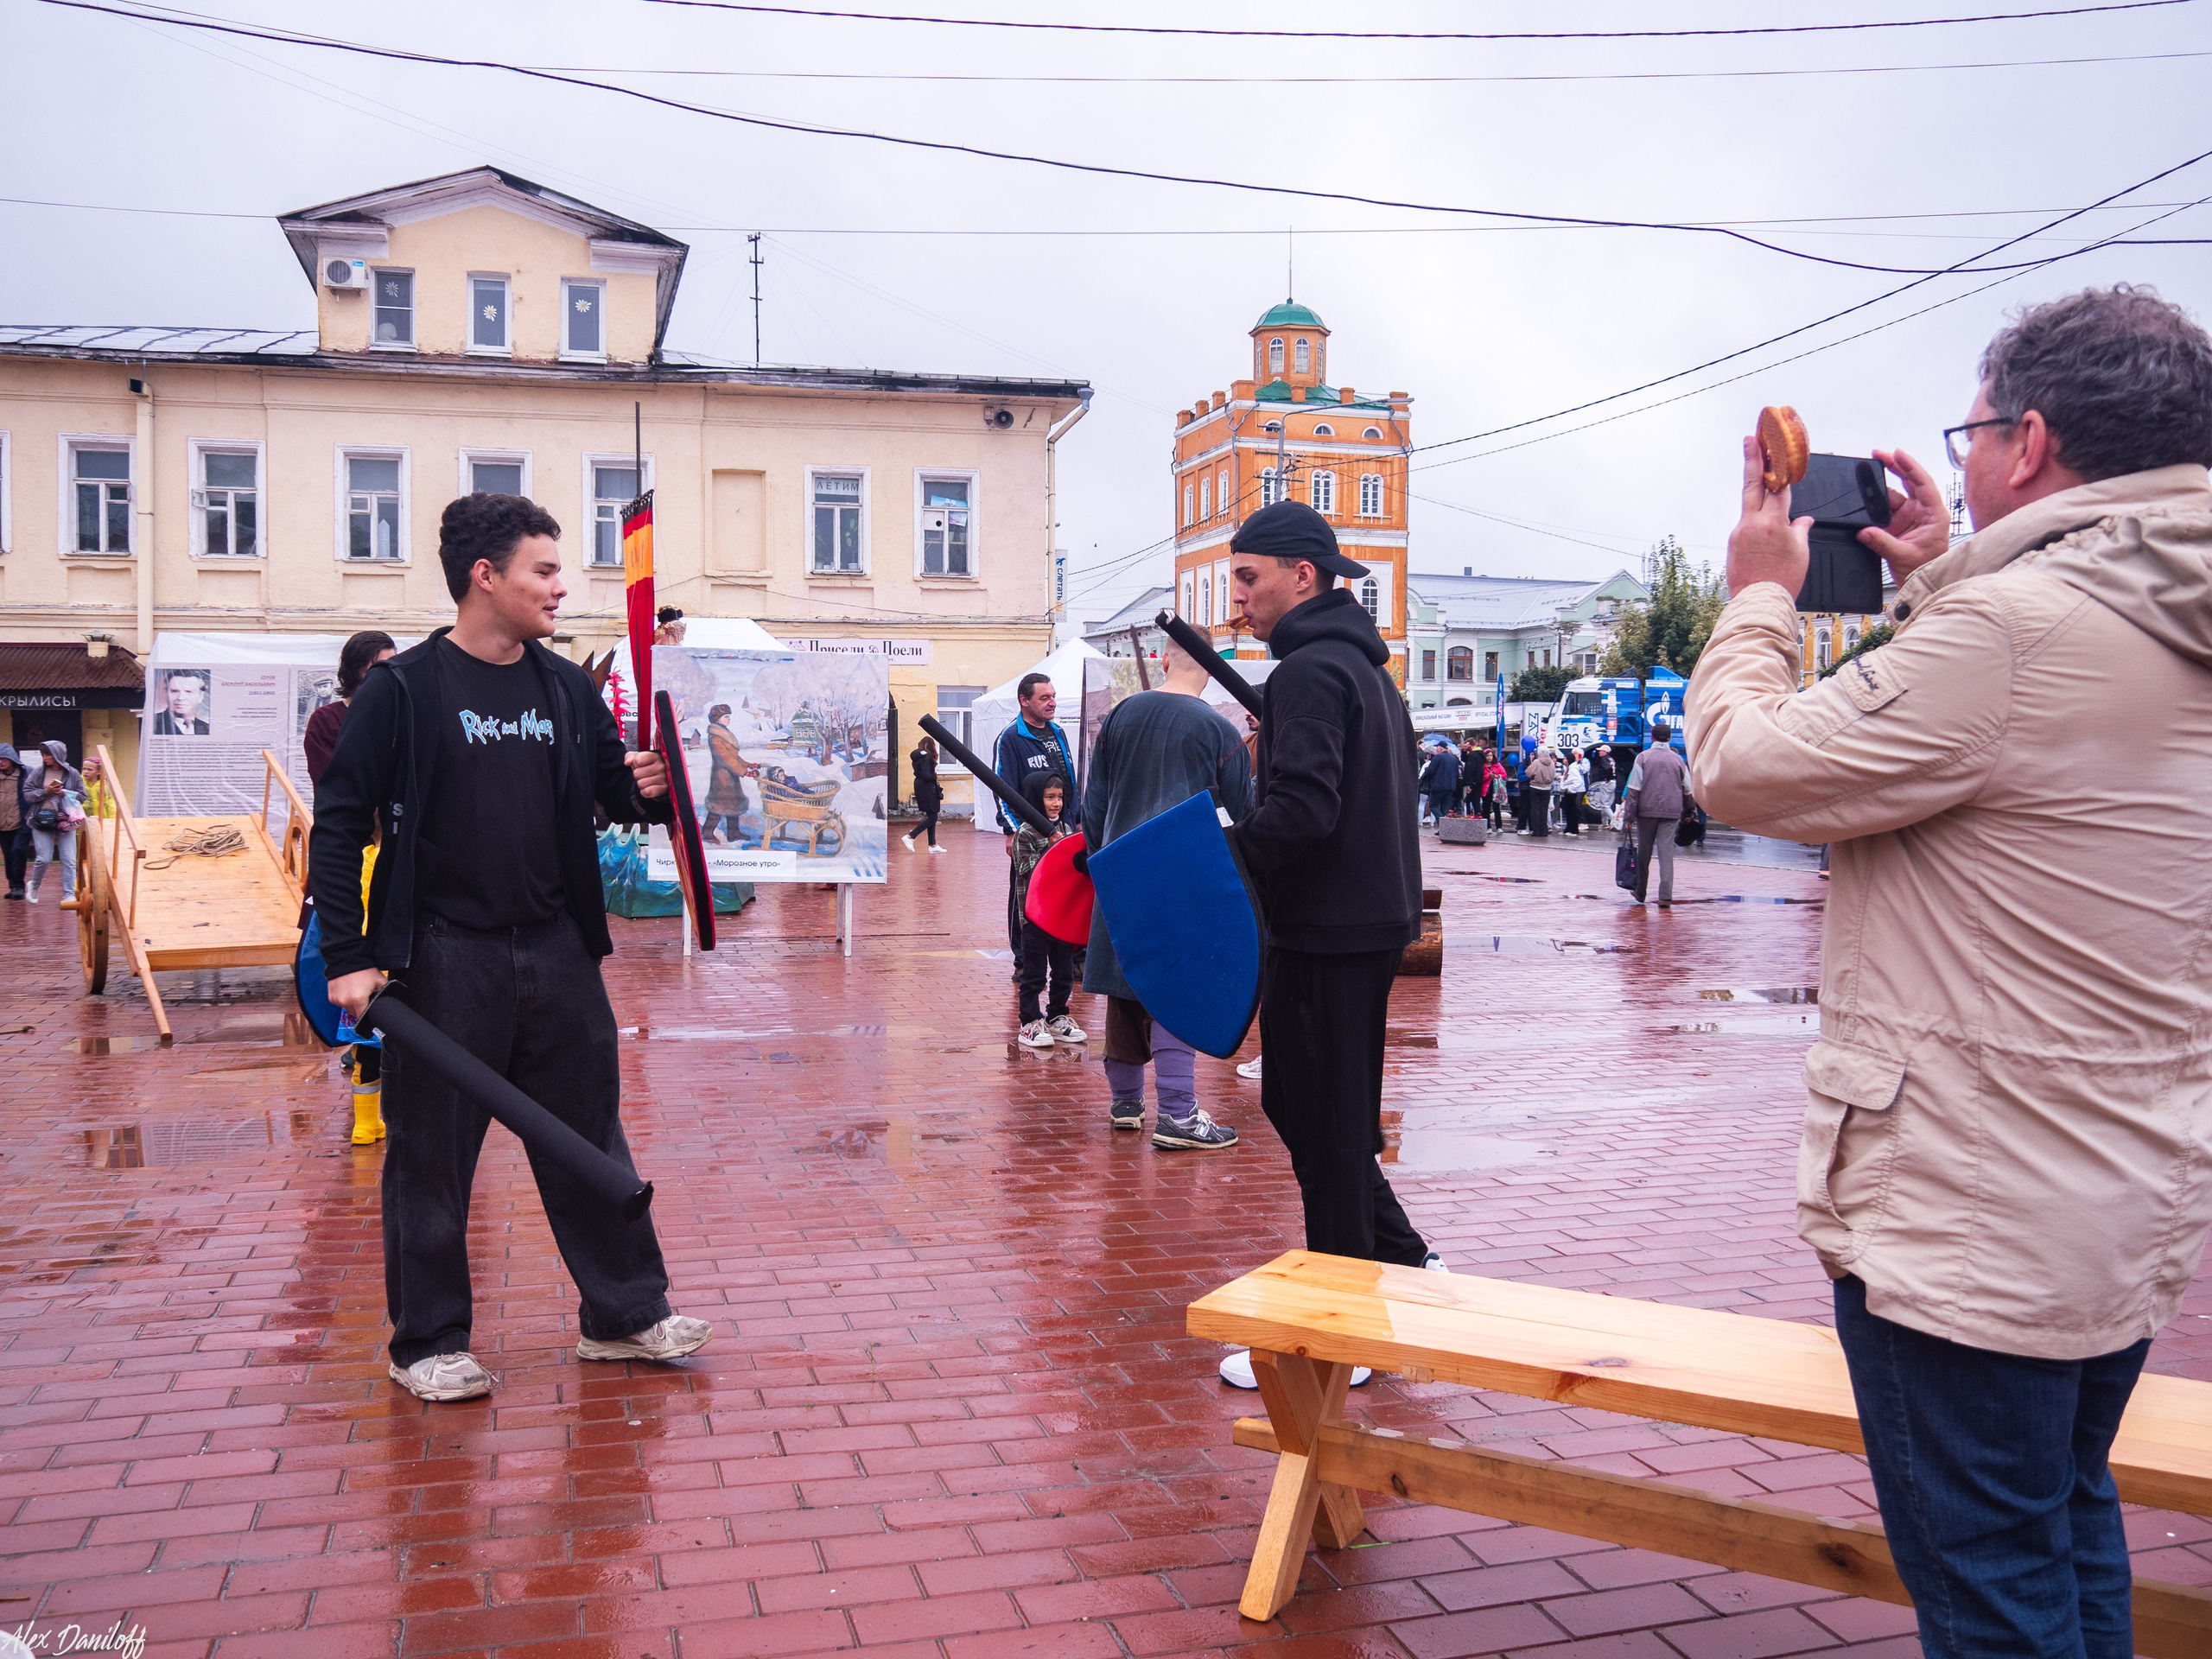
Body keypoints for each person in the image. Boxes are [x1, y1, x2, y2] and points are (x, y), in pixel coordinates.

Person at [1688, 285, 2212, 1659]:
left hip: (1971, 1216)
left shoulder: (2013, 632)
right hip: (2121, 1194)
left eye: (1974, 433)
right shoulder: (2170, 609)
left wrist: (1758, 589)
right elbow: (2045, 760)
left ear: (2029, 443)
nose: (1967, 462)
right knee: (2061, 1523)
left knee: (1991, 1591)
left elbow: (1742, 768)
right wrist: (1943, 574)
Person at [311, 492, 707, 1405]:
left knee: (587, 1138)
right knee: (431, 1155)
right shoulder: (402, 691)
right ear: (484, 577)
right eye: (543, 570)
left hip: (558, 948)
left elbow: (613, 792)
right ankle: (428, 1342)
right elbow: (338, 827)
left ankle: (623, 1315)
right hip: (444, 957)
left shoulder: (564, 688)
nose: (560, 589)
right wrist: (348, 957)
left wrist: (647, 784)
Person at [1219, 499, 1443, 1389]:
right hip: (1360, 922)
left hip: (1325, 926)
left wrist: (1218, 855)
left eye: (1247, 577)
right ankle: (1406, 1263)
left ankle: (1342, 1337)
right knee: (1313, 1112)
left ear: (1301, 576)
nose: (1236, 599)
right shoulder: (1363, 673)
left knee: (1323, 1120)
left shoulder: (1310, 674)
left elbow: (1304, 811)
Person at [1081, 634, 1252, 1149]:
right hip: (1185, 880)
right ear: (1216, 669)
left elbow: (1095, 804)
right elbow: (1242, 820)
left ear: (1161, 659)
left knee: (1125, 983)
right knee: (1177, 991)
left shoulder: (1120, 716)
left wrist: (1102, 859)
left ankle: (1126, 1103)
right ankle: (1177, 1114)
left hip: (1120, 868)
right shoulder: (1220, 733)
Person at [990, 673, 1076, 960]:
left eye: (1053, 696)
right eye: (1044, 698)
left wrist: (1074, 821)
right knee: (1024, 893)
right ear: (1024, 701)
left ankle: (1073, 957)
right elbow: (1002, 787)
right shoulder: (1011, 738)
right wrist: (1011, 830)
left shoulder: (1057, 732)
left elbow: (1069, 780)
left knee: (1068, 890)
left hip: (1064, 828)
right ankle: (1024, 960)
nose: (1052, 702)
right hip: (1030, 833)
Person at [1011, 771, 1084, 1048]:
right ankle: (1029, 1021)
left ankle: (1057, 1016)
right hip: (1035, 918)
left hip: (1061, 917)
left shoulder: (1066, 830)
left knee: (1064, 971)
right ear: (1035, 798)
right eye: (1049, 797)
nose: (1056, 803)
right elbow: (1026, 869)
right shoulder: (1025, 833)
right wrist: (1050, 852)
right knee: (1034, 974)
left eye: (1060, 797)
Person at [304, 631, 397, 788]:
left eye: (391, 666)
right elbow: (330, 782)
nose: (386, 674)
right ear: (355, 669)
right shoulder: (326, 719)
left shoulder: (402, 716)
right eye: (377, 668)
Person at [1621, 723, 1690, 906]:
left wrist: (1629, 816)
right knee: (1666, 853)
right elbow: (1688, 789)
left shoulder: (1643, 758)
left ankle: (1640, 891)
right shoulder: (1678, 760)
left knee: (1644, 853)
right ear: (1669, 738)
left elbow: (1634, 789)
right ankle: (1665, 896)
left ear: (1652, 737)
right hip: (1671, 811)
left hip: (1646, 812)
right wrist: (1689, 810)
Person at [25, 768, 85, 904]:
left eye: (48, 754)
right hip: (41, 819)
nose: (45, 757)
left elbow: (82, 796)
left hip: (66, 819)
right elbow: (27, 795)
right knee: (44, 858)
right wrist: (46, 792)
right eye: (44, 754)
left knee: (69, 858)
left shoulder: (72, 773)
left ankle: (69, 894)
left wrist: (66, 794)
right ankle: (34, 885)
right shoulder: (38, 772)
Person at [700, 703, 753, 846]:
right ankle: (707, 833)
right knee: (718, 805)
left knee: (733, 804)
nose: (729, 719)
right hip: (722, 777)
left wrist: (747, 765)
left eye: (729, 716)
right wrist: (744, 772)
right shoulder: (716, 737)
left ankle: (733, 833)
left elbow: (734, 756)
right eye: (726, 717)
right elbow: (726, 759)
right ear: (717, 719)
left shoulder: (724, 733)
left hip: (731, 776)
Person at [903, 735, 944, 852]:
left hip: (921, 787)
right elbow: (926, 776)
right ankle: (910, 837)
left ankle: (933, 845)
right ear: (931, 746)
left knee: (932, 816)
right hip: (927, 789)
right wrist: (935, 776)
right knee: (932, 818)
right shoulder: (926, 758)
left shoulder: (918, 758)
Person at [0, 745, 28, 899]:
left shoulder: (25, 774)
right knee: (8, 856)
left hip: (21, 824)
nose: (1, 762)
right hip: (3, 826)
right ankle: (13, 886)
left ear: (12, 759)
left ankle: (19, 886)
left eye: (4, 758)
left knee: (18, 851)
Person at [1418, 740, 1460, 827]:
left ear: (1440, 748)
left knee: (1433, 805)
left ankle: (1443, 825)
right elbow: (1457, 773)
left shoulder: (1437, 757)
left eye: (1437, 747)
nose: (1436, 749)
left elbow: (1430, 771)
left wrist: (1427, 767)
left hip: (1439, 786)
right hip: (1451, 787)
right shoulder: (1453, 758)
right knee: (1445, 809)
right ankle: (1444, 829)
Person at [155, 671, 210, 735]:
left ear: (201, 696)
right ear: (166, 693)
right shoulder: (153, 723)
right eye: (175, 691)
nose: (181, 698)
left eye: (188, 692)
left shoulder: (207, 728)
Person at [1522, 745, 1556, 837]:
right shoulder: (1552, 763)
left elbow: (1528, 773)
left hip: (1536, 787)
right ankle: (1544, 830)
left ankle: (1536, 831)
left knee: (1535, 810)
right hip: (1547, 788)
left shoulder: (1537, 762)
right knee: (1544, 810)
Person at [1560, 747, 1589, 836]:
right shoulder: (1568, 768)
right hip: (1568, 791)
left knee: (1571, 811)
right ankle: (1569, 828)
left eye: (1565, 758)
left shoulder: (1573, 769)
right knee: (1568, 811)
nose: (1563, 760)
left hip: (1571, 793)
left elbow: (1578, 781)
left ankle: (1573, 829)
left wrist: (1571, 789)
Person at [78, 754, 117, 820]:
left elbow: (111, 805)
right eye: (84, 769)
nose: (85, 772)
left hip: (102, 822)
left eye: (90, 770)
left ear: (98, 772)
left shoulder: (104, 787)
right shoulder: (79, 785)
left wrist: (112, 820)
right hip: (83, 822)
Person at [1586, 744, 1618, 825]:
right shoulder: (1611, 759)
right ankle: (1605, 823)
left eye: (1600, 751)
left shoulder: (1604, 759)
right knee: (1606, 803)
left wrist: (1606, 777)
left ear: (1605, 752)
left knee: (1604, 804)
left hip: (1607, 783)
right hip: (1613, 782)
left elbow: (1607, 768)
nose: (1599, 752)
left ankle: (1615, 821)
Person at [1483, 752, 1510, 832]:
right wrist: (1488, 776)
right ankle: (1488, 827)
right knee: (1486, 808)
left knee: (1496, 808)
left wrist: (1497, 776)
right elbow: (1481, 777)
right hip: (1486, 790)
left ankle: (1499, 827)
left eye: (1490, 755)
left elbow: (1504, 775)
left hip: (1496, 790)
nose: (1489, 757)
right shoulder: (1482, 766)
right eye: (1487, 756)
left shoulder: (1498, 765)